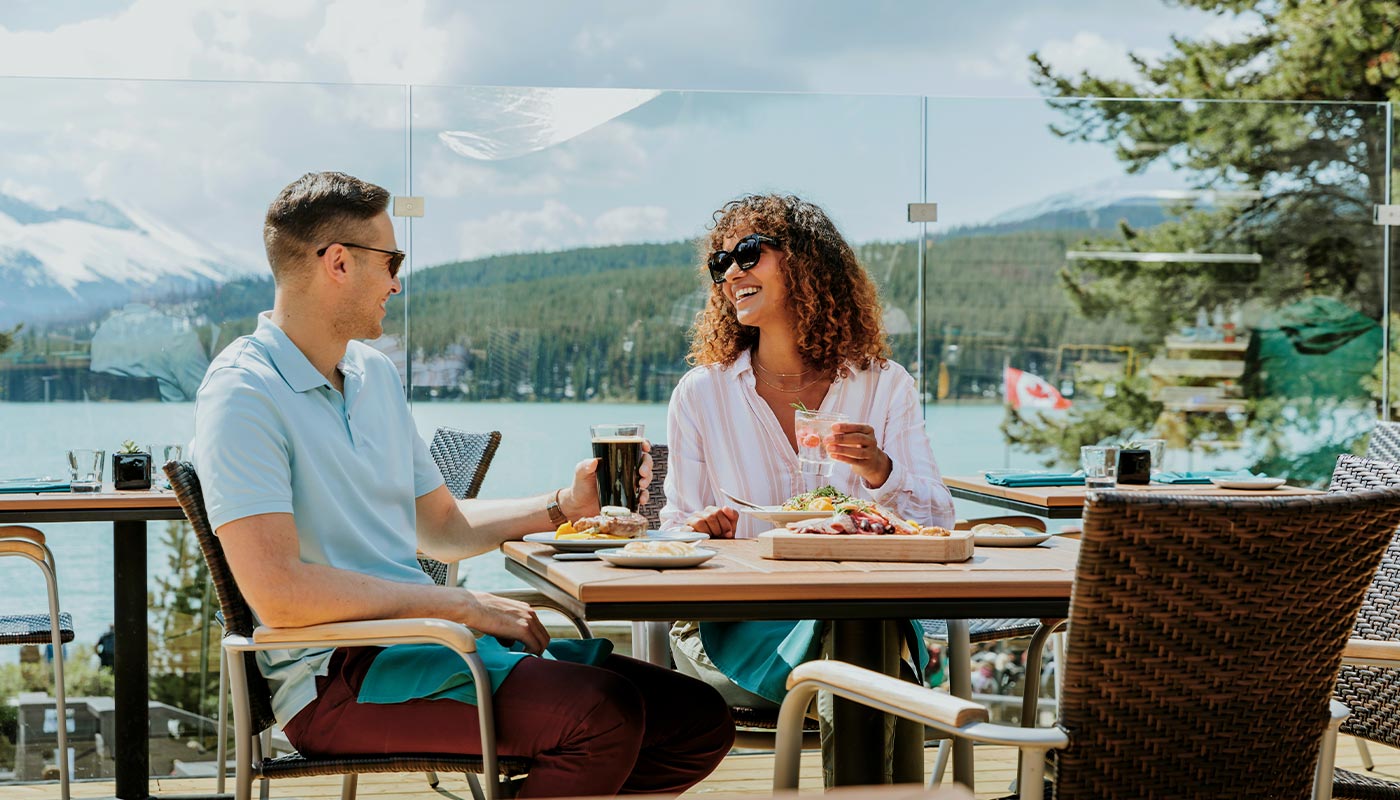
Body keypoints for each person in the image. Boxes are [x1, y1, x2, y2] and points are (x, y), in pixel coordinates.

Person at [191, 172, 732, 798]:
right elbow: (279, 594)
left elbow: (442, 530)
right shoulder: (243, 393)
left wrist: (562, 506)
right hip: (337, 678)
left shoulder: (371, 375)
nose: (397, 281)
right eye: (391, 260)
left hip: (428, 645)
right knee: (601, 716)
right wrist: (460, 606)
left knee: (696, 721)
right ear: (337, 262)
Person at [659, 193, 955, 722]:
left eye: (748, 253)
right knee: (866, 674)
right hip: (736, 619)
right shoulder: (701, 393)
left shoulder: (883, 385)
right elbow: (675, 532)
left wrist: (879, 471)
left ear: (805, 260)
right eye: (720, 262)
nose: (731, 273)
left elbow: (936, 523)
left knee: (857, 640)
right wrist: (699, 530)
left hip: (864, 610)